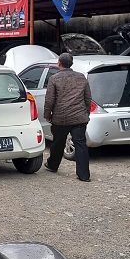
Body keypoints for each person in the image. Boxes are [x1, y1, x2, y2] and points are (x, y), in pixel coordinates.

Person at [43, 53, 92, 182]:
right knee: (80, 144)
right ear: (71, 64)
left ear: (59, 63)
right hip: (79, 117)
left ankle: (53, 165)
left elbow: (49, 100)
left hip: (61, 118)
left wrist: (47, 115)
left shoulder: (54, 78)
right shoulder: (81, 77)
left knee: (57, 143)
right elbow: (87, 97)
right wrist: (86, 113)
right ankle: (84, 175)